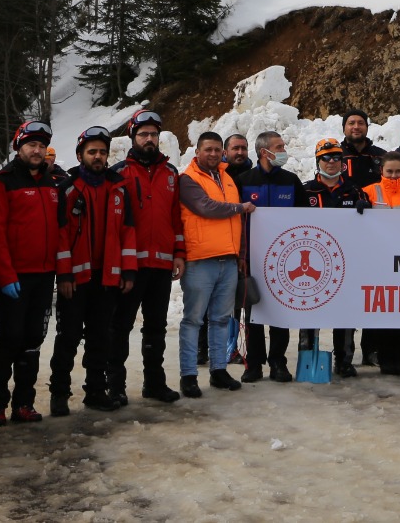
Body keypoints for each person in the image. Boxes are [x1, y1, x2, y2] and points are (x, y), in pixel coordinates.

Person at [0, 121, 68, 425]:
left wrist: (63, 272)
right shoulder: (3, 181)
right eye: (31, 145)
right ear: (18, 148)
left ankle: (24, 402)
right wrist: (5, 277)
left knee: (33, 340)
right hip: (15, 278)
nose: (37, 150)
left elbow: (60, 231)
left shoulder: (52, 182)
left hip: (44, 276)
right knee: (9, 339)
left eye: (41, 145)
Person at [50, 127, 137, 414]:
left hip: (107, 277)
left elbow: (128, 232)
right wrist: (63, 275)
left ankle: (96, 391)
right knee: (69, 337)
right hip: (76, 279)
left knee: (101, 337)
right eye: (92, 152)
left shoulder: (119, 187)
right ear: (80, 155)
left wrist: (128, 272)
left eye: (102, 152)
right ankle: (59, 394)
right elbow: (60, 237)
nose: (98, 157)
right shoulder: (67, 189)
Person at [112, 109, 187, 405]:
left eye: (154, 134)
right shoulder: (119, 173)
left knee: (155, 327)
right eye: (143, 134)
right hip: (132, 266)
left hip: (161, 265)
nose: (149, 139)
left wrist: (179, 253)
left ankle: (154, 383)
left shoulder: (171, 174)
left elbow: (175, 219)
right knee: (120, 326)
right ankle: (115, 385)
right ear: (133, 137)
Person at [177, 132, 252, 398]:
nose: (212, 154)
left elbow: (238, 224)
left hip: (228, 260)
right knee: (193, 320)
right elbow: (205, 207)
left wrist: (241, 255)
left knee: (221, 319)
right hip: (200, 260)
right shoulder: (187, 179)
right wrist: (239, 208)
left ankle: (219, 370)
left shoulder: (228, 178)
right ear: (197, 152)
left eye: (217, 150)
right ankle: (188, 375)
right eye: (207, 149)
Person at [236, 131, 304, 383]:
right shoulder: (243, 180)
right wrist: (240, 254)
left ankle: (278, 362)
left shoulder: (291, 180)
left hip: (284, 260)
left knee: (279, 313)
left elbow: (304, 217)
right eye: (279, 146)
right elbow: (235, 222)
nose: (284, 150)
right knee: (253, 312)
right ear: (265, 152)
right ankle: (253, 364)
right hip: (252, 258)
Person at [302, 139, 370, 377]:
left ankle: (344, 360)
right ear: (317, 161)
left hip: (346, 262)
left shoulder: (355, 191)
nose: (331, 163)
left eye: (336, 158)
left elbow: (371, 229)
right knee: (309, 311)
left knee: (345, 313)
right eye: (326, 158)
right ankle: (307, 354)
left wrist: (366, 210)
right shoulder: (305, 191)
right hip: (312, 263)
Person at [362, 152, 400, 375]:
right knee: (383, 312)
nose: (394, 174)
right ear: (382, 171)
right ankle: (385, 359)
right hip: (379, 262)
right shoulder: (369, 192)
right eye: (389, 171)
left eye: (398, 171)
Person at [340, 110, 384, 190]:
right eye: (351, 123)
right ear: (344, 129)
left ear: (367, 128)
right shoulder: (335, 156)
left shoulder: (381, 155)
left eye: (361, 123)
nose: (356, 127)